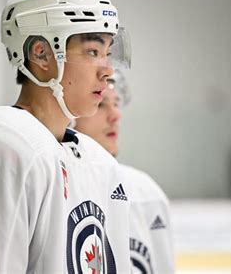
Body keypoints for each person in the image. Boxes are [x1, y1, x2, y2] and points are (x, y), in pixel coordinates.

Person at [0, 0, 132, 272]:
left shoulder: (99, 162)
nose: (107, 71)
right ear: (40, 53)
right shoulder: (2, 147)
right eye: (93, 51)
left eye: (107, 52)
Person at [73, 69, 175, 273]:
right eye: (101, 104)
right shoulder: (53, 184)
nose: (116, 115)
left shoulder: (145, 194)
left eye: (116, 103)